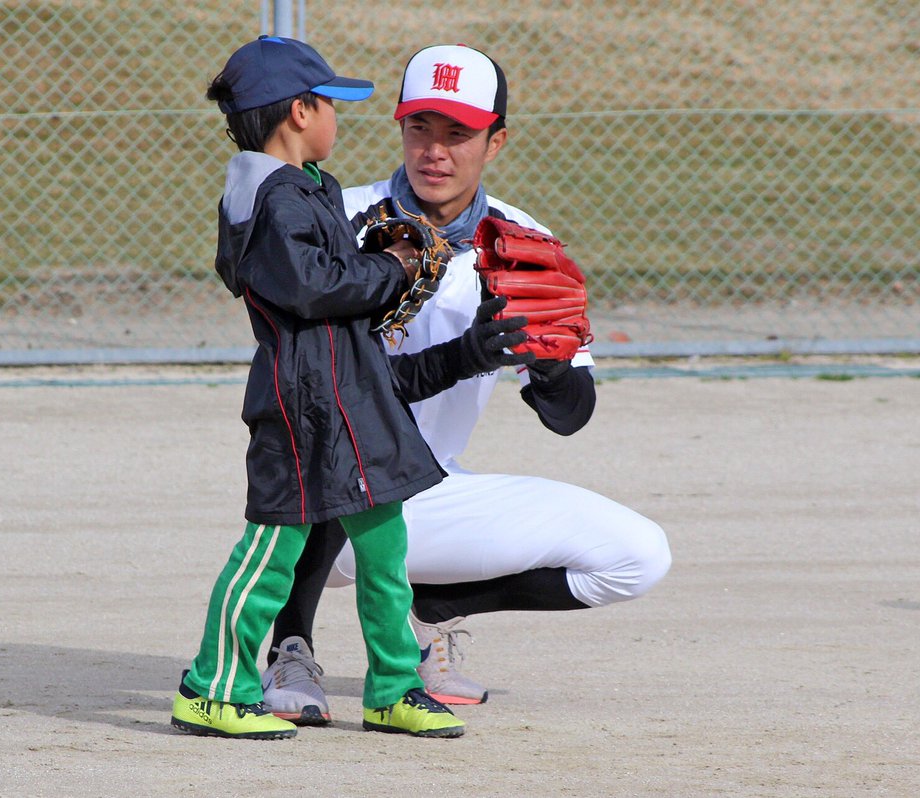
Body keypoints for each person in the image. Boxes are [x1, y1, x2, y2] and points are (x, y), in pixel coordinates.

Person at [260, 44, 673, 724]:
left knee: (637, 555)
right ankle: (292, 648)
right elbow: (324, 393)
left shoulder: (519, 240)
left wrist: (548, 364)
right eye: (421, 127)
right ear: (399, 127)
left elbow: (571, 417)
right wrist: (465, 353)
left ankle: (439, 605)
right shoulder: (333, 219)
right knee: (344, 448)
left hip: (429, 498)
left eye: (459, 133)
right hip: (311, 498)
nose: (435, 151)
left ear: (496, 140)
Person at [170, 37, 531, 740]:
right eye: (330, 104)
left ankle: (392, 687)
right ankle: (212, 687)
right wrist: (392, 269)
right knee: (272, 552)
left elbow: (333, 276)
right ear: (299, 113)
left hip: (351, 388)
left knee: (385, 547)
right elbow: (310, 289)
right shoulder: (272, 198)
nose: (339, 118)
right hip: (304, 397)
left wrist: (374, 259)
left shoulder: (310, 188)